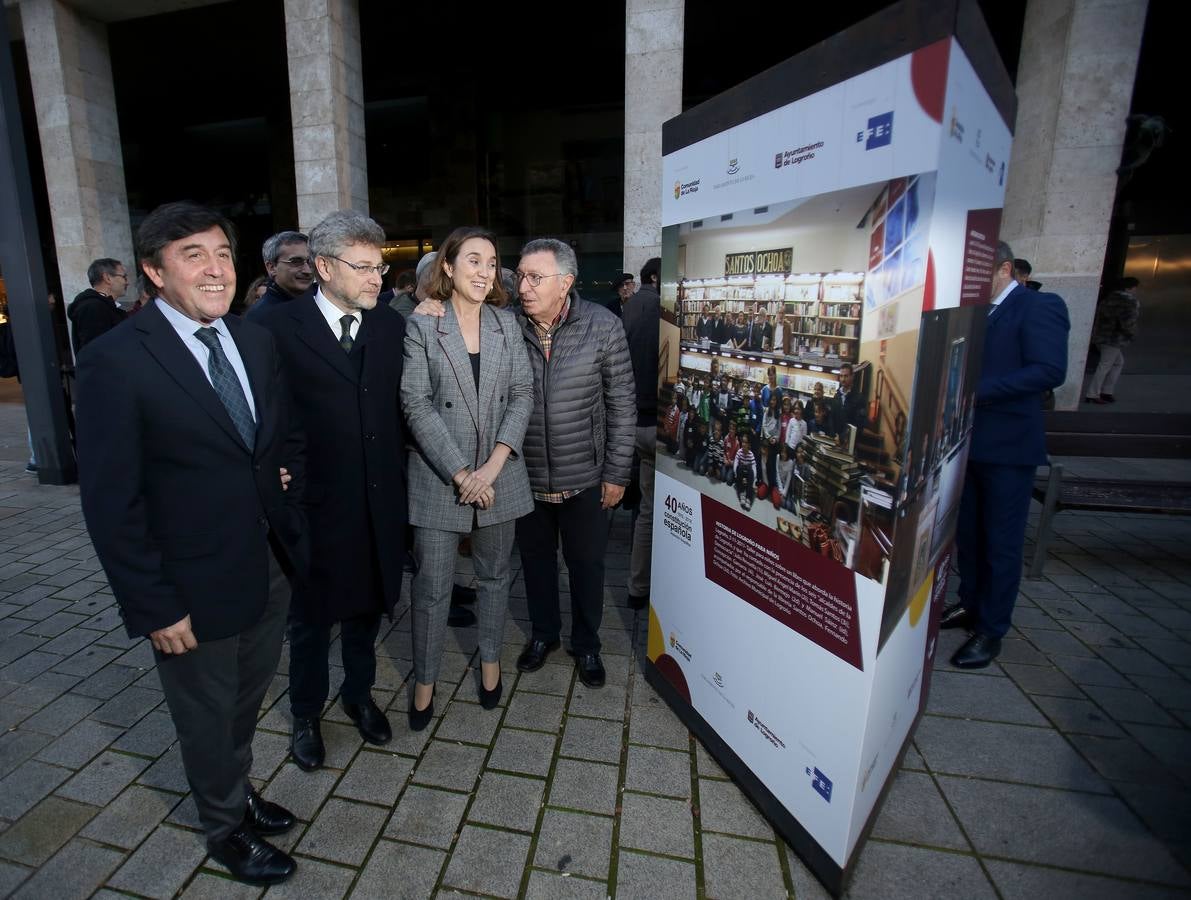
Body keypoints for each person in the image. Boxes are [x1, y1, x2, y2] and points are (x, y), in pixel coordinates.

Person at [75, 202, 308, 885]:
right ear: (153, 271)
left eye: (222, 253)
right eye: (193, 255)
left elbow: (277, 438)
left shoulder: (253, 340)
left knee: (246, 697)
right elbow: (110, 502)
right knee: (206, 713)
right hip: (189, 586)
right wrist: (153, 605)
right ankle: (223, 826)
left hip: (267, 563)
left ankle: (236, 789)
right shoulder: (115, 359)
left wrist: (281, 484)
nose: (215, 270)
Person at [416, 238, 634, 688]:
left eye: (536, 278)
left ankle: (587, 644)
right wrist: (428, 307)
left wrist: (616, 472)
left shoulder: (603, 326)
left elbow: (622, 404)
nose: (523, 287)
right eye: (520, 276)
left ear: (565, 283)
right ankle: (543, 634)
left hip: (585, 475)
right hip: (525, 473)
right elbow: (456, 323)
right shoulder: (506, 323)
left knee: (587, 565)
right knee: (535, 564)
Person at [257, 211, 407, 769]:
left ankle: (358, 694)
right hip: (312, 506)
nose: (375, 278)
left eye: (379, 267)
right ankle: (305, 715)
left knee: (368, 608)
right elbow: (264, 416)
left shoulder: (390, 325)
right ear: (323, 267)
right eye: (362, 267)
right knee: (311, 621)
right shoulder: (274, 329)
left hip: (378, 501)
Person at [401, 227, 533, 729]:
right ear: (448, 266)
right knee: (432, 588)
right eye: (473, 260)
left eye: (492, 262)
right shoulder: (422, 325)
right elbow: (415, 403)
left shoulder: (506, 323)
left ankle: (491, 661)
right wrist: (461, 474)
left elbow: (521, 395)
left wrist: (491, 468)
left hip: (500, 477)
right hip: (440, 478)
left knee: (495, 577)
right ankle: (425, 681)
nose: (484, 271)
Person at [943, 241, 1069, 668]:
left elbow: (1049, 370)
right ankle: (969, 603)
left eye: (977, 274)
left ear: (1005, 269)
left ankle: (991, 628)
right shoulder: (971, 313)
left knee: (1001, 541)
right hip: (964, 444)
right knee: (969, 534)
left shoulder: (1040, 306)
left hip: (1008, 447)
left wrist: (974, 393)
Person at [623, 257, 660, 610]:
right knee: (657, 510)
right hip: (656, 421)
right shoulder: (662, 309)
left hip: (632, 417)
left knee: (645, 507)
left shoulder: (629, 306)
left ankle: (638, 585)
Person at [1085, 276, 1140, 404]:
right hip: (1114, 339)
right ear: (1128, 288)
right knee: (1106, 365)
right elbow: (1127, 323)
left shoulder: (1108, 300)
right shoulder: (1129, 302)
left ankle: (1106, 391)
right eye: (1134, 287)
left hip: (1102, 337)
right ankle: (1093, 394)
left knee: (1117, 363)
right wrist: (1132, 334)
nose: (1136, 290)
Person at [245, 231, 314, 322]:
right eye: (296, 262)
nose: (307, 270)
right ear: (272, 268)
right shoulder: (261, 317)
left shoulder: (322, 303)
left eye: (311, 261)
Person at [69, 258, 129, 355]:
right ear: (107, 278)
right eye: (124, 277)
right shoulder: (92, 307)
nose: (127, 282)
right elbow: (95, 352)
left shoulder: (102, 305)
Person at [831, 363, 867, 437]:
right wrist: (833, 435)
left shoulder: (859, 398)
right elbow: (832, 418)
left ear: (852, 376)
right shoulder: (836, 395)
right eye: (841, 376)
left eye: (846, 376)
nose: (843, 379)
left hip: (849, 440)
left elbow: (858, 424)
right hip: (834, 438)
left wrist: (842, 438)